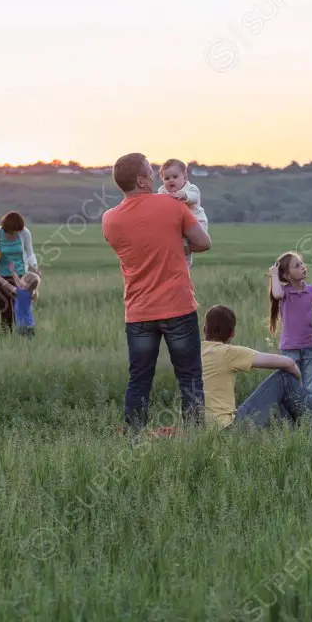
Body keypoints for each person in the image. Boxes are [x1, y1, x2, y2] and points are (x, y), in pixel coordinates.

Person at [102, 152, 212, 434]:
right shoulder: (171, 206)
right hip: (178, 306)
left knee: (139, 379)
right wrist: (176, 245)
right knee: (189, 378)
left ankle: (134, 436)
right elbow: (203, 242)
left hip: (138, 312)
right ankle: (195, 438)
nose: (155, 177)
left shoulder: (109, 219)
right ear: (140, 180)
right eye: (150, 172)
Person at [201, 305, 312, 431]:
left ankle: (296, 436)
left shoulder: (195, 354)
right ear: (232, 334)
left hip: (207, 433)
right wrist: (298, 385)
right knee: (284, 378)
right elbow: (289, 363)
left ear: (204, 329)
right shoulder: (227, 352)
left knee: (279, 406)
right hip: (230, 430)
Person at [269, 251, 312, 416]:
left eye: (302, 264)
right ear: (287, 275)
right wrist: (274, 274)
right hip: (290, 349)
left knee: (311, 389)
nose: (302, 267)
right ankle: (294, 420)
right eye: (297, 266)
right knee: (293, 387)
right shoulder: (284, 293)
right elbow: (276, 293)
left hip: (310, 347)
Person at [0, 211, 39, 334]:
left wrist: (35, 266)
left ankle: (21, 336)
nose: (15, 233)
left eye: (17, 230)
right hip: (0, 277)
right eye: (12, 230)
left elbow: (30, 252)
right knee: (5, 312)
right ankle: (6, 338)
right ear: (6, 227)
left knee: (18, 310)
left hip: (20, 278)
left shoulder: (24, 233)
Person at [157, 158, 208, 268]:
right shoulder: (162, 191)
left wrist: (184, 195)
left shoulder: (191, 188)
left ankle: (186, 266)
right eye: (166, 178)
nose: (171, 180)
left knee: (186, 246)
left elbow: (194, 197)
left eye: (175, 177)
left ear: (184, 177)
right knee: (180, 247)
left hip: (197, 224)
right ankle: (182, 266)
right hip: (179, 227)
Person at [0, 261, 39, 338]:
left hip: (23, 326)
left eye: (23, 279)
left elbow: (6, 284)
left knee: (22, 346)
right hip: (30, 325)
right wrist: (12, 272)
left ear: (26, 284)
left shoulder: (22, 293)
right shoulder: (29, 292)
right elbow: (19, 282)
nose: (21, 279)